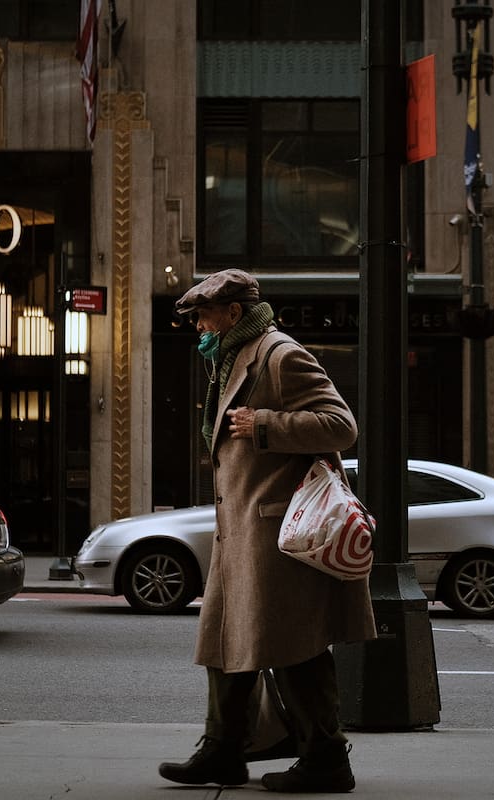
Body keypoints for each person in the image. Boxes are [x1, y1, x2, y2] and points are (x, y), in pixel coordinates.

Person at [158, 268, 376, 793]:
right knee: (225, 642)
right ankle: (223, 751)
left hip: (279, 535)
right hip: (242, 532)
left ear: (233, 313)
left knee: (293, 647)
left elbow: (341, 425)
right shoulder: (231, 359)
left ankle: (326, 758)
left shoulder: (280, 355)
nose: (198, 327)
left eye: (203, 316)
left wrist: (265, 425)